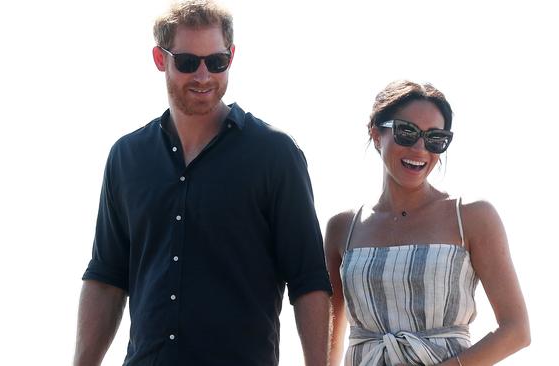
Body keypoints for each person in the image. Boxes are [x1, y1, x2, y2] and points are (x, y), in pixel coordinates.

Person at [73, 1, 332, 365]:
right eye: (187, 62)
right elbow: (106, 277)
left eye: (216, 61)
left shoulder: (276, 155)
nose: (203, 75)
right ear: (160, 59)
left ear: (232, 56)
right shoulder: (126, 157)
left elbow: (308, 280)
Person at [325, 80, 530, 366]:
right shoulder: (342, 228)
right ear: (375, 134)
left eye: (435, 138)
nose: (421, 148)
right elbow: (328, 341)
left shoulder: (472, 217)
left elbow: (517, 330)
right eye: (407, 132)